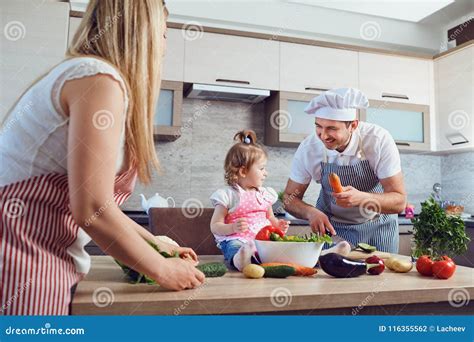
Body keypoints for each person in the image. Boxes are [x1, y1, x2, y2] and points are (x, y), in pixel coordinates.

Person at [0, 0, 204, 315]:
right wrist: (161, 269)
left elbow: (95, 201)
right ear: (143, 34)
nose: (164, 48)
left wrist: (155, 243)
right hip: (18, 258)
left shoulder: (87, 74)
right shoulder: (99, 79)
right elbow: (92, 208)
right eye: (163, 35)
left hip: (32, 252)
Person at [283, 88, 406, 253]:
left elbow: (399, 201)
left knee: (378, 276)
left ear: (353, 125)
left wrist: (361, 198)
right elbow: (289, 198)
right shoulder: (309, 148)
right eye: (318, 126)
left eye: (332, 128)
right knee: (329, 277)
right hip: (333, 231)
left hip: (377, 228)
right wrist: (310, 212)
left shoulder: (378, 140)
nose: (323, 136)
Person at [210, 130, 289, 271]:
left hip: (263, 241)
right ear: (243, 171)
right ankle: (240, 259)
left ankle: (320, 256)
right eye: (262, 168)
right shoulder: (229, 195)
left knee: (282, 248)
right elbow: (215, 225)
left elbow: (270, 217)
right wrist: (232, 228)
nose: (266, 173)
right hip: (238, 239)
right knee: (236, 247)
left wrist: (278, 225)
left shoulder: (265, 194)